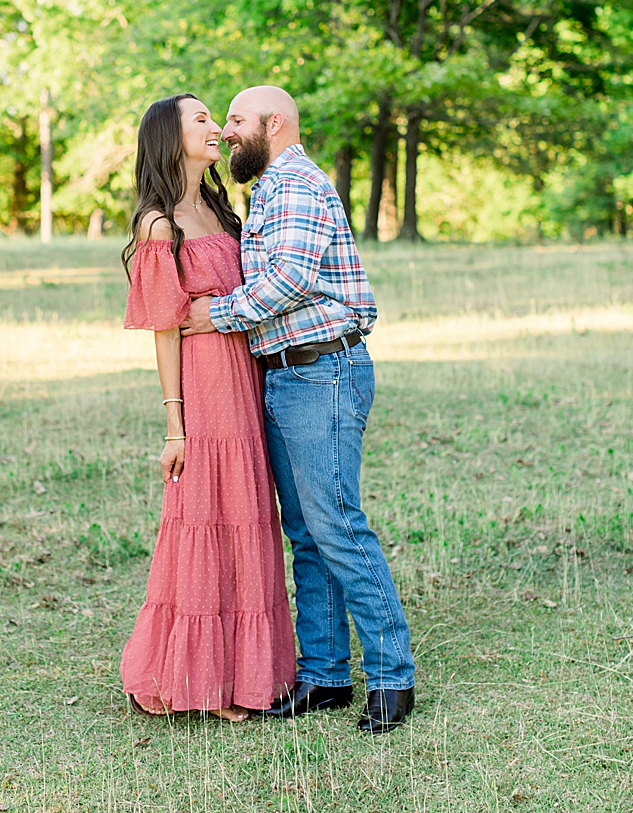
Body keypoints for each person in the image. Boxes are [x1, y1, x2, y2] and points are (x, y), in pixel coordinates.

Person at [182, 86, 416, 733]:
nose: (227, 132)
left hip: (324, 372)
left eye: (235, 119)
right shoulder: (268, 190)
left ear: (272, 123)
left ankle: (393, 675)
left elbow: (286, 279)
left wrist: (214, 317)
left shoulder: (298, 185)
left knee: (337, 526)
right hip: (285, 378)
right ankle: (325, 675)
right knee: (308, 537)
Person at [119, 94, 297, 721]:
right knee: (206, 518)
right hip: (203, 390)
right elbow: (166, 331)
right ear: (171, 137)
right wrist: (176, 426)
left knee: (247, 516)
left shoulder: (222, 209)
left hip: (246, 381)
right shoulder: (158, 224)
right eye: (201, 120)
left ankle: (245, 672)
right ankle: (204, 678)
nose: (217, 128)